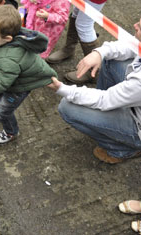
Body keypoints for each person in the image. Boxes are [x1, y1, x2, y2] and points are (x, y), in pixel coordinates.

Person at [47, 16, 141, 164]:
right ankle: (106, 119)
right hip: (133, 97)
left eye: (140, 27)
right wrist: (99, 53)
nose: (135, 25)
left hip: (137, 123)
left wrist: (63, 89)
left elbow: (104, 99)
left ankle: (123, 149)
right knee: (111, 59)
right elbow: (131, 45)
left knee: (67, 107)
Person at [0, 5, 57, 145]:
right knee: (0, 98)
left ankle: (11, 132)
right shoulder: (15, 38)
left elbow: (1, 84)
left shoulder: (8, 58)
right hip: (11, 81)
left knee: (6, 110)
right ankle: (1, 111)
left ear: (7, 38)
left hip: (18, 88)